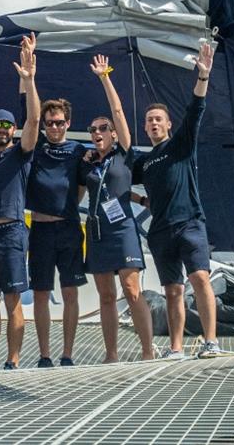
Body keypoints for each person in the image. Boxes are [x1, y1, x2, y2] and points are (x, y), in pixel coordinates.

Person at [132, 42, 220, 359]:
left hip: (190, 223)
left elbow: (196, 108)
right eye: (149, 120)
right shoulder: (143, 162)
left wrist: (204, 75)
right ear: (145, 128)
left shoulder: (181, 144)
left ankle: (211, 342)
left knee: (198, 278)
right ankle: (176, 347)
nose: (154, 123)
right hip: (161, 231)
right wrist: (141, 200)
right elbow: (116, 182)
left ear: (168, 124)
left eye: (158, 119)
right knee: (172, 290)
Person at [19, 34, 88, 368]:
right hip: (41, 232)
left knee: (71, 292)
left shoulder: (77, 150)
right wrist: (29, 76)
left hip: (70, 230)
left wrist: (68, 206)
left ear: (68, 123)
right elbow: (30, 115)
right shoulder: (35, 146)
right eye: (50, 123)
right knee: (43, 294)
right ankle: (45, 354)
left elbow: (82, 187)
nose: (55, 127)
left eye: (60, 122)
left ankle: (68, 353)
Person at [82, 54, 154, 363]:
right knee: (106, 296)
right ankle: (111, 355)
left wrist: (104, 77)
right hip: (97, 231)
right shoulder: (88, 163)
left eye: (103, 128)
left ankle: (148, 351)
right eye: (93, 130)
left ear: (113, 133)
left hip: (123, 228)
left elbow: (118, 110)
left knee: (130, 288)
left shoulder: (123, 154)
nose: (97, 132)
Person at [0, 34, 40, 371]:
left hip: (13, 233)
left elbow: (34, 120)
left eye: (6, 125)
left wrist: (28, 80)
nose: (1, 129)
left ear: (13, 130)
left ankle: (13, 359)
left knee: (13, 300)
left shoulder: (20, 154)